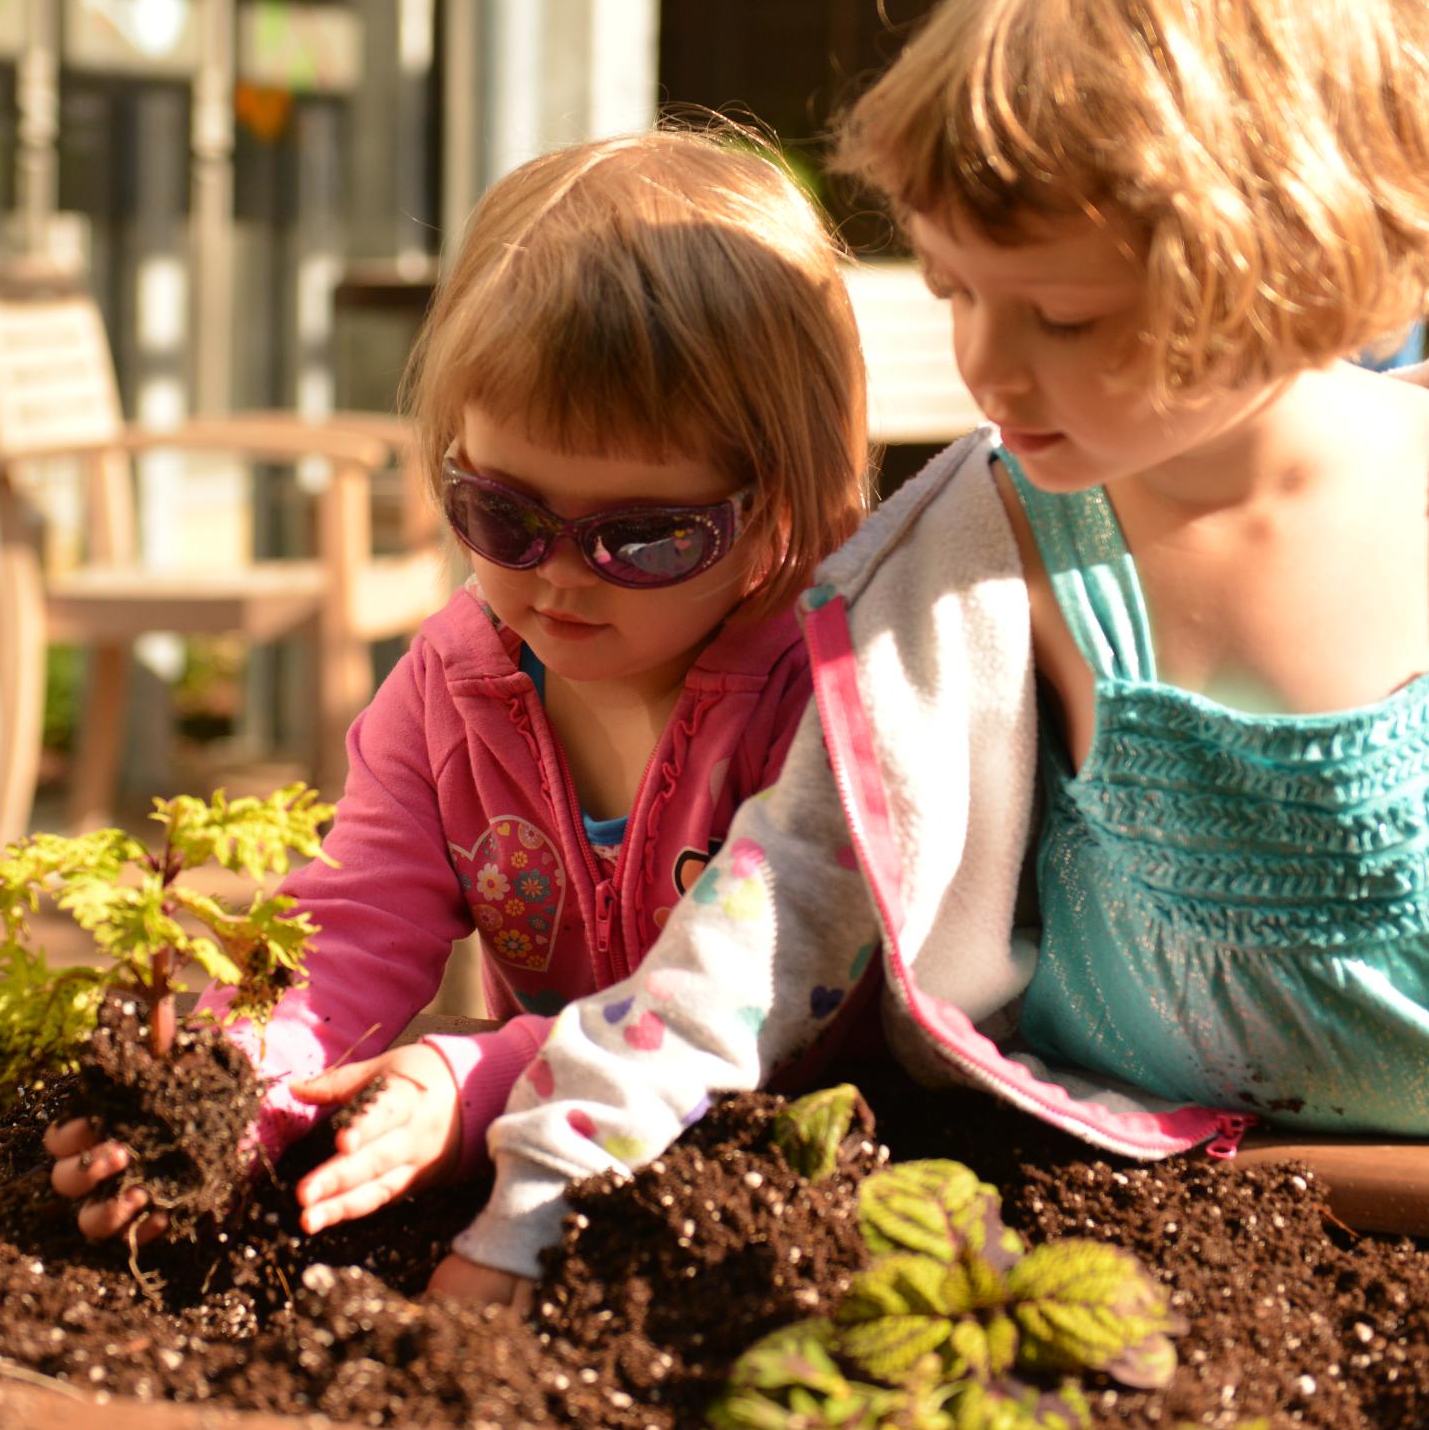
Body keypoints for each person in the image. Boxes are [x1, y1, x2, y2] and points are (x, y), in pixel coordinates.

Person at [430, 0, 1429, 1322]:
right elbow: (790, 900)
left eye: (1064, 316)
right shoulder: (986, 545)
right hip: (1132, 1223)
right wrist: (546, 1188)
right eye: (954, 289)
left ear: (1291, 254)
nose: (987, 367)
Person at [44, 129, 873, 1240]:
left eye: (645, 539)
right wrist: (236, 1083)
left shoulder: (822, 704)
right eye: (503, 516)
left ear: (775, 509)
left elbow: (751, 1016)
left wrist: (469, 1082)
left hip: (788, 1187)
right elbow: (351, 921)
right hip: (540, 1167)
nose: (562, 580)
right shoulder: (453, 684)